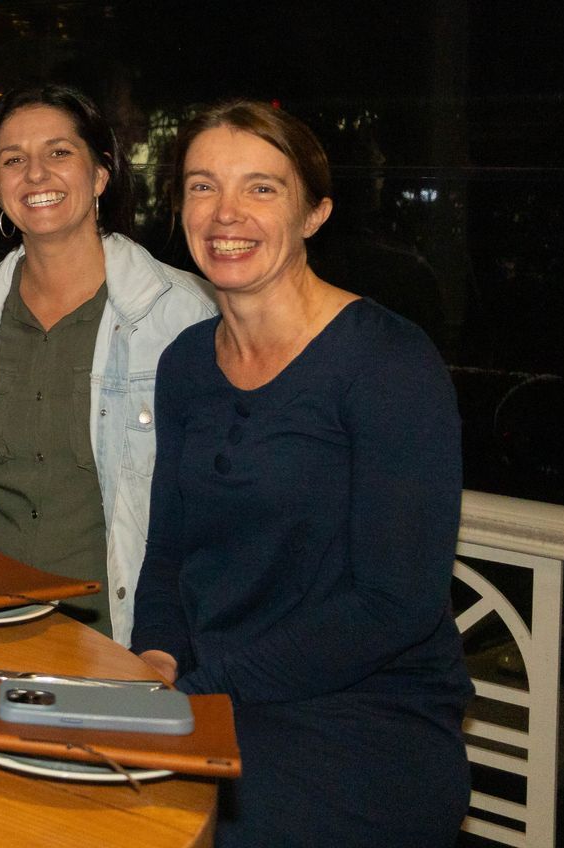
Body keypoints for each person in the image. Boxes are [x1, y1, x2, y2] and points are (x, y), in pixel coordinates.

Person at [131, 100, 470, 847]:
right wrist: (153, 661)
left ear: (315, 213)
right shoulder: (186, 361)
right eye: (201, 185)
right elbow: (169, 555)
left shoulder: (386, 362)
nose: (226, 213)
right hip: (219, 696)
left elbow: (395, 604)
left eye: (261, 188)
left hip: (368, 719)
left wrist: (199, 692)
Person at [0, 85, 212, 643]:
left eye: (59, 152)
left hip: (120, 639)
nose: (35, 174)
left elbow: (210, 506)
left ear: (100, 174)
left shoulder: (182, 315)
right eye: (13, 159)